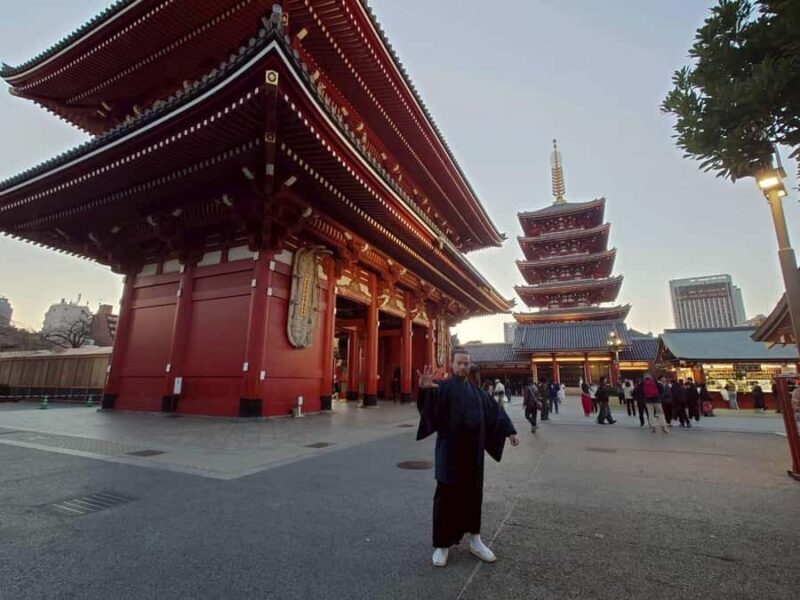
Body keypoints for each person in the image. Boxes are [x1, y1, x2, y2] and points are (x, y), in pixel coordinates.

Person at [417, 349, 519, 568]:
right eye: (459, 363)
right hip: (449, 453)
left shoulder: (478, 393)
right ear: (452, 364)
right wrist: (424, 391)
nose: (463, 367)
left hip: (473, 456)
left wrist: (509, 431)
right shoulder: (441, 388)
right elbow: (429, 410)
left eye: (467, 363)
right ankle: (442, 545)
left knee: (474, 495)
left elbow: (495, 412)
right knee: (445, 498)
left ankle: (475, 539)